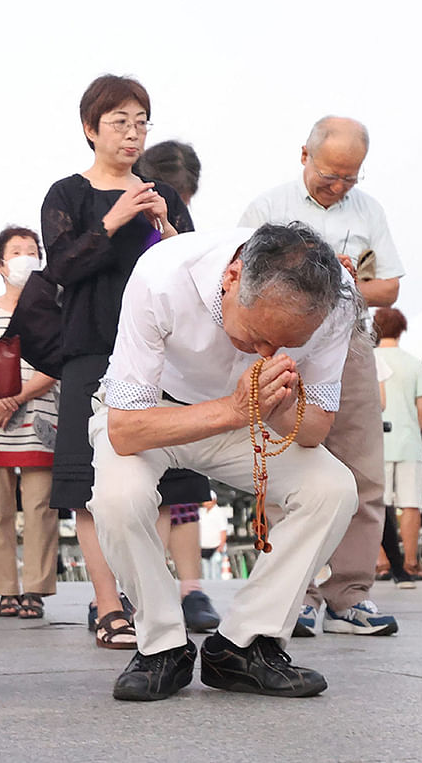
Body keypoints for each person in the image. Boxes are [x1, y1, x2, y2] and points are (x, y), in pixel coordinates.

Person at [89, 222, 362, 701]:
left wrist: (276, 405)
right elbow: (125, 430)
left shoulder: (338, 300)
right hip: (154, 413)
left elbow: (315, 428)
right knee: (118, 497)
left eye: (284, 344)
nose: (266, 353)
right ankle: (161, 645)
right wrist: (234, 410)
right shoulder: (164, 274)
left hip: (251, 413)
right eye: (257, 335)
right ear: (233, 277)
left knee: (332, 489)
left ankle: (245, 646)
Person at [42, 74, 208, 650]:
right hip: (92, 349)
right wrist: (113, 221)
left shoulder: (163, 193)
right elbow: (60, 267)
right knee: (90, 482)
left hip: (159, 357)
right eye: (119, 122)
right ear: (91, 130)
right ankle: (107, 604)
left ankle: (145, 598)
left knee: (164, 477)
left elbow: (193, 273)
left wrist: (164, 223)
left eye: (141, 122)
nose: (132, 133)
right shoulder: (67, 194)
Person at [240, 116, 400, 638]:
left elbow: (390, 287)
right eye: (331, 174)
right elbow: (243, 278)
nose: (339, 186)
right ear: (304, 155)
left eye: (350, 178)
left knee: (362, 465)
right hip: (286, 338)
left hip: (350, 338)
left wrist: (349, 284)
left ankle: (349, 592)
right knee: (290, 457)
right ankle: (297, 593)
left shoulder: (369, 210)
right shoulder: (268, 208)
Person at [136, 138, 220, 631]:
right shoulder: (127, 217)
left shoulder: (193, 234)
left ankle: (191, 586)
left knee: (184, 484)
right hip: (136, 361)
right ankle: (140, 589)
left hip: (184, 366)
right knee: (136, 485)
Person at [0, 226, 59, 619]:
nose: (26, 256)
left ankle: (35, 589)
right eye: (16, 251)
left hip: (41, 417)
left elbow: (58, 363)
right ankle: (5, 589)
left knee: (41, 506)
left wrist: (19, 396)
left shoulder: (54, 307)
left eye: (32, 249)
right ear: (0, 265)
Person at [373, 307, 422, 580]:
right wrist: (413, 431)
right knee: (411, 504)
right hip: (409, 442)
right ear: (402, 329)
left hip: (376, 442)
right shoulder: (415, 363)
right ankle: (410, 562)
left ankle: (382, 562)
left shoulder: (370, 359)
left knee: (378, 505)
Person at [198, 495, 229, 580]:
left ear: (214, 500)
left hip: (216, 547)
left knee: (215, 573)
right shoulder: (202, 512)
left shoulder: (219, 512)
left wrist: (221, 546)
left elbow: (223, 530)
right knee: (206, 573)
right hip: (204, 547)